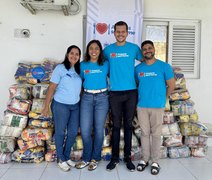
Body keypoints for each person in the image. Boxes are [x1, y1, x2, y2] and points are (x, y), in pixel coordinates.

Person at [103, 21, 142, 171]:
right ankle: (114, 158)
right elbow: (102, 67)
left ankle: (127, 158)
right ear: (114, 33)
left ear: (127, 32)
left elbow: (145, 62)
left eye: (123, 31)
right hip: (114, 93)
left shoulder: (134, 48)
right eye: (118, 31)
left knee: (128, 126)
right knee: (116, 126)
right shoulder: (108, 50)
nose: (120, 34)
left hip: (131, 92)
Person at [135, 40, 175, 175]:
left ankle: (155, 161)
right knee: (145, 134)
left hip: (157, 106)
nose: (147, 50)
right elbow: (136, 85)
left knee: (156, 134)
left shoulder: (164, 67)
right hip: (142, 106)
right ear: (142, 52)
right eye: (144, 49)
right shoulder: (138, 69)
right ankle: (145, 159)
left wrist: (164, 99)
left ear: (154, 49)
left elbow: (171, 85)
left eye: (149, 48)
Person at [42, 45, 82, 172]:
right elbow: (52, 87)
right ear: (67, 54)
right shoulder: (60, 68)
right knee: (60, 132)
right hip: (60, 105)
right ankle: (61, 158)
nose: (74, 56)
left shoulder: (79, 69)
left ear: (79, 57)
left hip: (75, 106)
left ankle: (65, 156)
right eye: (72, 53)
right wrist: (46, 106)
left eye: (77, 54)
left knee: (72, 132)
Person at [75, 40, 109, 171]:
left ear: (100, 50)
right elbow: (79, 82)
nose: (94, 51)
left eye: (96, 48)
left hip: (102, 98)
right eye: (91, 48)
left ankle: (95, 158)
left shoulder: (106, 64)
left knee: (99, 129)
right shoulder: (82, 65)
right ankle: (86, 158)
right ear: (87, 50)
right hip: (86, 98)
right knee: (85, 130)